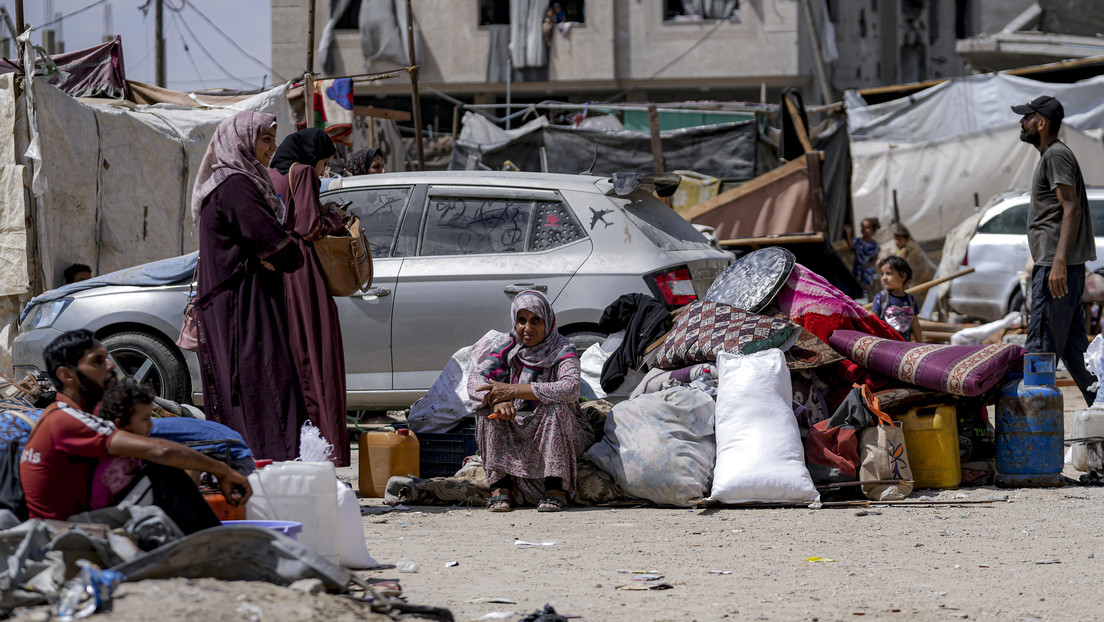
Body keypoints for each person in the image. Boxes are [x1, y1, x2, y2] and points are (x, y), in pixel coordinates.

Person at [20, 330, 250, 532]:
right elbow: (159, 451)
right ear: (66, 375)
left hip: (78, 519)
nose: (110, 365)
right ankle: (214, 545)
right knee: (163, 473)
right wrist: (222, 470)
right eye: (97, 361)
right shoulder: (64, 419)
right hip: (63, 532)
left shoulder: (68, 415)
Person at [191, 110, 308, 462]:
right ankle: (274, 463)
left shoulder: (236, 181)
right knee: (265, 382)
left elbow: (275, 246)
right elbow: (281, 247)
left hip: (241, 299)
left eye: (273, 140)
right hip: (242, 305)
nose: (272, 148)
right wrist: (285, 250)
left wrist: (278, 250)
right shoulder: (236, 185)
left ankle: (253, 464)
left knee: (251, 383)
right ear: (242, 141)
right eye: (265, 139)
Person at [468, 290, 593, 512]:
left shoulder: (563, 348)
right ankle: (500, 487)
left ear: (548, 321)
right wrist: (496, 400)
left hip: (556, 428)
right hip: (517, 423)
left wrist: (514, 390)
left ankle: (556, 487)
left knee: (556, 408)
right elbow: (475, 380)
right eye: (522, 321)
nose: (528, 328)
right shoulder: (507, 346)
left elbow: (570, 387)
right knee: (485, 410)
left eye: (536, 320)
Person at [269, 129, 350, 466]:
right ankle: (325, 445)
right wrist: (334, 216)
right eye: (325, 162)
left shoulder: (271, 173)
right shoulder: (301, 172)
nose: (322, 169)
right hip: (303, 273)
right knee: (317, 354)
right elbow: (308, 227)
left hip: (278, 271)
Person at [1013, 95, 1097, 403]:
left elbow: (1070, 208)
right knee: (1075, 349)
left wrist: (1058, 262)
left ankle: (1032, 435)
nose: (1021, 123)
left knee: (1041, 346)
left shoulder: (1056, 155)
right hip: (1058, 265)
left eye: (1026, 117)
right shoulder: (1051, 155)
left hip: (1055, 268)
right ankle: (1101, 406)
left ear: (1041, 122)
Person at [90, 378, 155, 510]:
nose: (151, 424)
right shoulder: (116, 465)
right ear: (120, 424)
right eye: (145, 419)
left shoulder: (131, 453)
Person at [871, 256, 923, 342]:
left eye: (888, 273)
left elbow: (916, 325)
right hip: (885, 347)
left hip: (904, 347)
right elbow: (872, 323)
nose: (884, 278)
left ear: (903, 276)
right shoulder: (881, 298)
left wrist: (921, 345)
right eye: (882, 274)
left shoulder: (911, 300)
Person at [884, 224, 936, 300]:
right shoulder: (898, 249)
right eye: (896, 239)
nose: (897, 242)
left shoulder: (905, 249)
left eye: (899, 239)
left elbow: (900, 261)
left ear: (906, 240)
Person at [848, 217, 880, 294]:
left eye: (867, 228)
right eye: (863, 227)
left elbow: (875, 257)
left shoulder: (874, 244)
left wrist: (870, 265)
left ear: (873, 230)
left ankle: (866, 293)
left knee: (867, 275)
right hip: (857, 267)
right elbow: (851, 245)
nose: (864, 230)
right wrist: (848, 233)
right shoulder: (858, 241)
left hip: (868, 267)